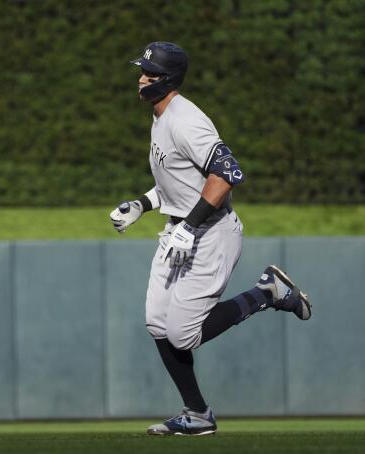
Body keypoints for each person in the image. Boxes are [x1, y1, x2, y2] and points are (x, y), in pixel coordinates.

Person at [110, 41, 312, 436]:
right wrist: (142, 204)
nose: (140, 78)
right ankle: (198, 414)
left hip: (211, 233)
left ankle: (266, 293)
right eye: (142, 70)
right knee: (157, 324)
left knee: (184, 334)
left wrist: (188, 226)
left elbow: (228, 174)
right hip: (180, 231)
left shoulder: (187, 120)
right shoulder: (161, 116)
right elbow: (182, 181)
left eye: (149, 73)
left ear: (166, 80)